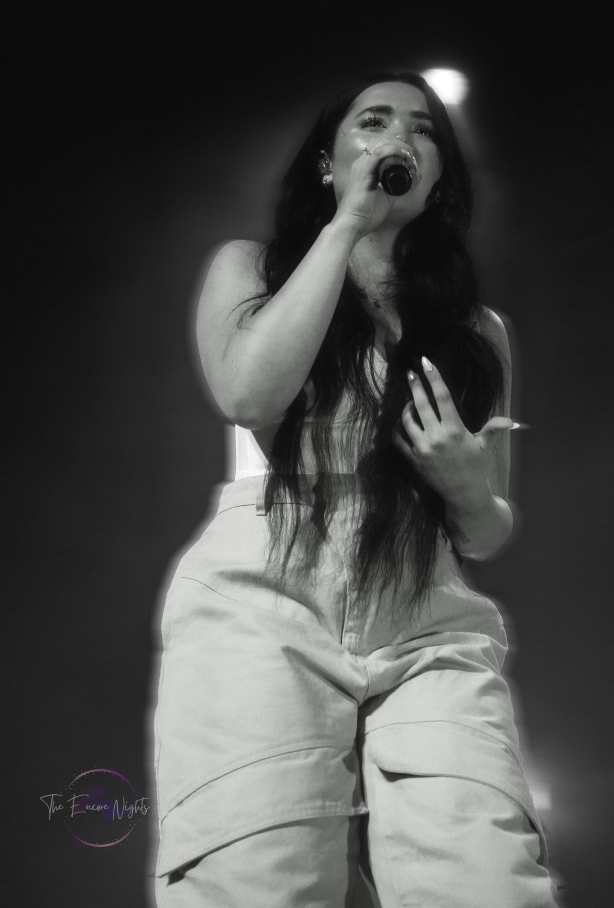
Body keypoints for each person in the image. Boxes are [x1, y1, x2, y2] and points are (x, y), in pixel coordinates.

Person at [151, 71, 560, 907]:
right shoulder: (253, 269)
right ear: (327, 163)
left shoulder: (477, 331)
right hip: (268, 591)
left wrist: (465, 484)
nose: (400, 137)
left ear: (438, 175)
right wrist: (347, 227)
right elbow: (248, 394)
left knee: (488, 875)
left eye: (424, 129)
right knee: (259, 879)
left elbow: (484, 532)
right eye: (373, 122)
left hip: (426, 608)